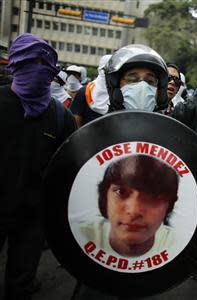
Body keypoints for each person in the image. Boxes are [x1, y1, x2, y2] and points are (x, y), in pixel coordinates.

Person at [0, 33, 77, 300]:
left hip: (32, 216)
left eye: (45, 65)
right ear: (15, 64)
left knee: (20, 284)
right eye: (30, 62)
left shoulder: (60, 116)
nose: (37, 70)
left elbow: (66, 168)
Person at [106, 32, 197, 129]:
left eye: (150, 81)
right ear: (115, 85)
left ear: (159, 91)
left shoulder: (170, 122)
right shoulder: (98, 130)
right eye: (133, 79)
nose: (142, 86)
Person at [80, 155, 178, 258]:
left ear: (169, 205)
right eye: (121, 192)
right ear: (105, 198)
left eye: (153, 196)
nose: (134, 211)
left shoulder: (177, 244)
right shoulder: (81, 237)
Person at [70, 55, 111, 127]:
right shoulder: (85, 92)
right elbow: (75, 122)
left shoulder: (122, 93)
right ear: (99, 70)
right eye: (104, 70)